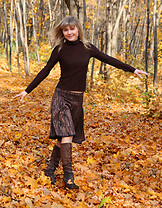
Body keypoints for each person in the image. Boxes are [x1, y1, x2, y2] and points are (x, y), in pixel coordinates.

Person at [14, 16, 148, 189]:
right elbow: (45, 70)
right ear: (62, 32)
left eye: (72, 29)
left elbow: (109, 59)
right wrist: (27, 90)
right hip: (61, 97)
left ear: (78, 29)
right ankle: (69, 176)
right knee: (67, 135)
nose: (69, 32)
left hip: (78, 100)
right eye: (65, 30)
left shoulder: (88, 48)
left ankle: (50, 169)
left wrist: (133, 69)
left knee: (62, 139)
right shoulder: (60, 49)